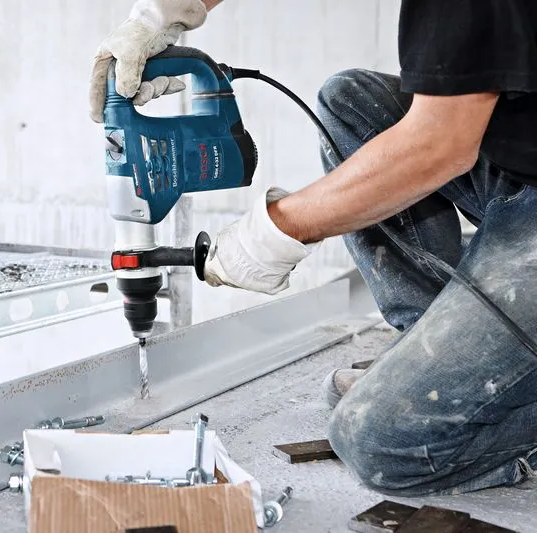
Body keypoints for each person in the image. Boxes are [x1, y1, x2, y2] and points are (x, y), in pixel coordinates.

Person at [88, 0, 537, 497]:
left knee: (383, 443)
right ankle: (434, 350)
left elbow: (439, 144)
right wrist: (159, 15)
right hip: (521, 165)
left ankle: (499, 400)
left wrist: (273, 231)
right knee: (352, 99)